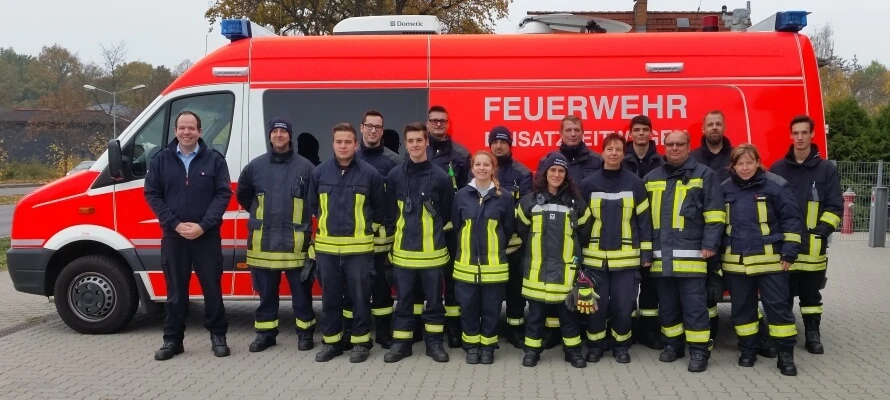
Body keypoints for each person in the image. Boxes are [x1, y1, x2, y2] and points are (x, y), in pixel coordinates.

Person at [144, 110, 232, 361]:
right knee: (175, 292)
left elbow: (223, 194)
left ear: (200, 131)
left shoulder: (215, 160)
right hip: (174, 237)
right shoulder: (161, 160)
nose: (186, 132)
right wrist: (174, 224)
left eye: (191, 128)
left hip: (207, 236)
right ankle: (173, 340)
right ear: (175, 131)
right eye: (182, 128)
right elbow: (152, 194)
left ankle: (218, 336)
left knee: (212, 289)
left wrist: (203, 226)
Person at [644, 130, 725, 373]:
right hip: (661, 257)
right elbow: (643, 219)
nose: (675, 148)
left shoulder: (704, 175)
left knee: (695, 307)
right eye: (670, 144)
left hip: (692, 257)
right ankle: (673, 345)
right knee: (667, 306)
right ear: (664, 147)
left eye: (680, 144)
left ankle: (699, 350)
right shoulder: (651, 178)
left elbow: (715, 214)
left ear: (689, 147)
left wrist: (710, 245)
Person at [235, 118, 317, 353]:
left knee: (301, 295)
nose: (279, 135)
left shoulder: (306, 168)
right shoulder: (255, 167)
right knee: (266, 295)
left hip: (296, 244)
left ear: (290, 135)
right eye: (275, 131)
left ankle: (305, 334)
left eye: (283, 131)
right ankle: (265, 335)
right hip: (264, 243)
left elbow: (314, 201)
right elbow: (244, 196)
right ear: (270, 135)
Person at [307, 122, 386, 363]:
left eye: (348, 142)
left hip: (359, 251)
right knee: (330, 299)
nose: (343, 146)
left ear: (356, 144)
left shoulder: (370, 174)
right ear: (333, 144)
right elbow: (313, 207)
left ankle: (361, 342)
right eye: (339, 142)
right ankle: (332, 343)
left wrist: (366, 232)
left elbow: (380, 210)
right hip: (327, 251)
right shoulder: (319, 173)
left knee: (360, 298)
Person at [721, 144, 802, 376]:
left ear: (758, 162)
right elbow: (718, 225)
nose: (745, 168)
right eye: (740, 163)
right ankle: (748, 350)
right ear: (733, 166)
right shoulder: (725, 188)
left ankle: (785, 356)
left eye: (749, 162)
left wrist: (789, 252)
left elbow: (792, 219)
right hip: (737, 263)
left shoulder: (776, 185)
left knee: (778, 310)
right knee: (742, 310)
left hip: (771, 262)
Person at [769, 115, 842, 355]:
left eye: (804, 133)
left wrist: (822, 232)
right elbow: (769, 206)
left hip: (812, 246)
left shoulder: (826, 169)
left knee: (811, 296)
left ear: (812, 135)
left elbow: (835, 206)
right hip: (784, 246)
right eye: (796, 133)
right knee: (783, 296)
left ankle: (812, 334)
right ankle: (784, 338)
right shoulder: (778, 168)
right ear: (790, 136)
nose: (800, 137)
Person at [578, 133, 653, 364]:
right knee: (595, 306)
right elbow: (581, 223)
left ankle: (621, 345)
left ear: (624, 153)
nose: (613, 153)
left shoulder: (635, 183)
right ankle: (595, 345)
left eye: (618, 149)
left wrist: (646, 253)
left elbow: (644, 221)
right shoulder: (587, 184)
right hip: (594, 260)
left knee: (624, 306)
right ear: (602, 153)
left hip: (626, 261)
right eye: (609, 149)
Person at [383, 123, 455, 363]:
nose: (415, 144)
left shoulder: (441, 177)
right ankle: (402, 344)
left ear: (427, 143)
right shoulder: (395, 176)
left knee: (434, 302)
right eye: (411, 141)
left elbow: (446, 212)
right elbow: (391, 213)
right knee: (404, 302)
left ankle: (434, 343)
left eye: (419, 140)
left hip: (433, 255)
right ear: (406, 144)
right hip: (403, 254)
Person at [516, 154, 592, 369]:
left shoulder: (576, 203)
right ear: (545, 173)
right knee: (535, 316)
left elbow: (584, 233)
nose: (557, 175)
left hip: (566, 271)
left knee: (569, 316)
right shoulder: (529, 201)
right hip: (537, 269)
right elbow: (522, 231)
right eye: (553, 170)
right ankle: (532, 351)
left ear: (566, 175)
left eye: (561, 171)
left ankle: (573, 352)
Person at [535, 115, 603, 349]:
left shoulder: (596, 160)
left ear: (583, 132)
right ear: (561, 133)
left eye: (576, 130)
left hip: (582, 228)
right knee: (554, 283)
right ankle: (553, 332)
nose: (572, 134)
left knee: (578, 283)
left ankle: (578, 330)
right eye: (568, 130)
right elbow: (539, 193)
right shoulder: (548, 160)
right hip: (554, 233)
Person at [451, 150, 516, 365]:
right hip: (466, 266)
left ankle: (488, 347)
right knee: (468, 308)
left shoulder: (504, 197)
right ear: (472, 168)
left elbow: (508, 229)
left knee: (491, 310)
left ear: (493, 168)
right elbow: (457, 226)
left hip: (494, 267)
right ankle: (471, 346)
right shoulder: (461, 196)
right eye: (477, 164)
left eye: (486, 164)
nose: (481, 168)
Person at [350, 110, 403, 350]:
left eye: (378, 127)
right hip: (354, 237)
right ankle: (352, 333)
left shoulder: (394, 162)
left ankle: (383, 333)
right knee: (354, 288)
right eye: (369, 126)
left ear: (382, 131)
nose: (373, 130)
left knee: (382, 288)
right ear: (361, 128)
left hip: (383, 238)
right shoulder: (350, 158)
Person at [426, 105, 471, 348]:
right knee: (427, 280)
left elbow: (467, 193)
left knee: (453, 280)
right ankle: (423, 326)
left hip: (452, 229)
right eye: (434, 120)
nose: (438, 124)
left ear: (448, 124)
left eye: (442, 121)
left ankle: (454, 328)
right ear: (428, 123)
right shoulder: (419, 150)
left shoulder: (461, 155)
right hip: (425, 228)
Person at [487, 126, 533, 348]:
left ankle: (515, 330)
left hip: (514, 245)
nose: (499, 146)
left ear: (510, 145)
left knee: (515, 290)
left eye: (503, 142)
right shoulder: (482, 169)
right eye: (495, 142)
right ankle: (490, 329)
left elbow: (525, 208)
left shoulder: (522, 173)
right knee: (491, 290)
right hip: (488, 243)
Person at [623, 115, 665, 351]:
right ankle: (627, 329)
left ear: (651, 133)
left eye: (645, 130)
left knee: (650, 285)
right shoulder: (621, 159)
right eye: (636, 130)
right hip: (626, 228)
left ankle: (649, 331)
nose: (641, 133)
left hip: (654, 228)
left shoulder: (661, 161)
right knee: (627, 285)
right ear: (630, 133)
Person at [690, 110, 732, 345]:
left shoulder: (736, 157)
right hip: (699, 232)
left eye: (718, 124)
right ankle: (710, 329)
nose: (714, 128)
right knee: (703, 284)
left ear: (724, 127)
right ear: (703, 129)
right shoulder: (693, 157)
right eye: (710, 124)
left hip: (732, 230)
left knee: (726, 282)